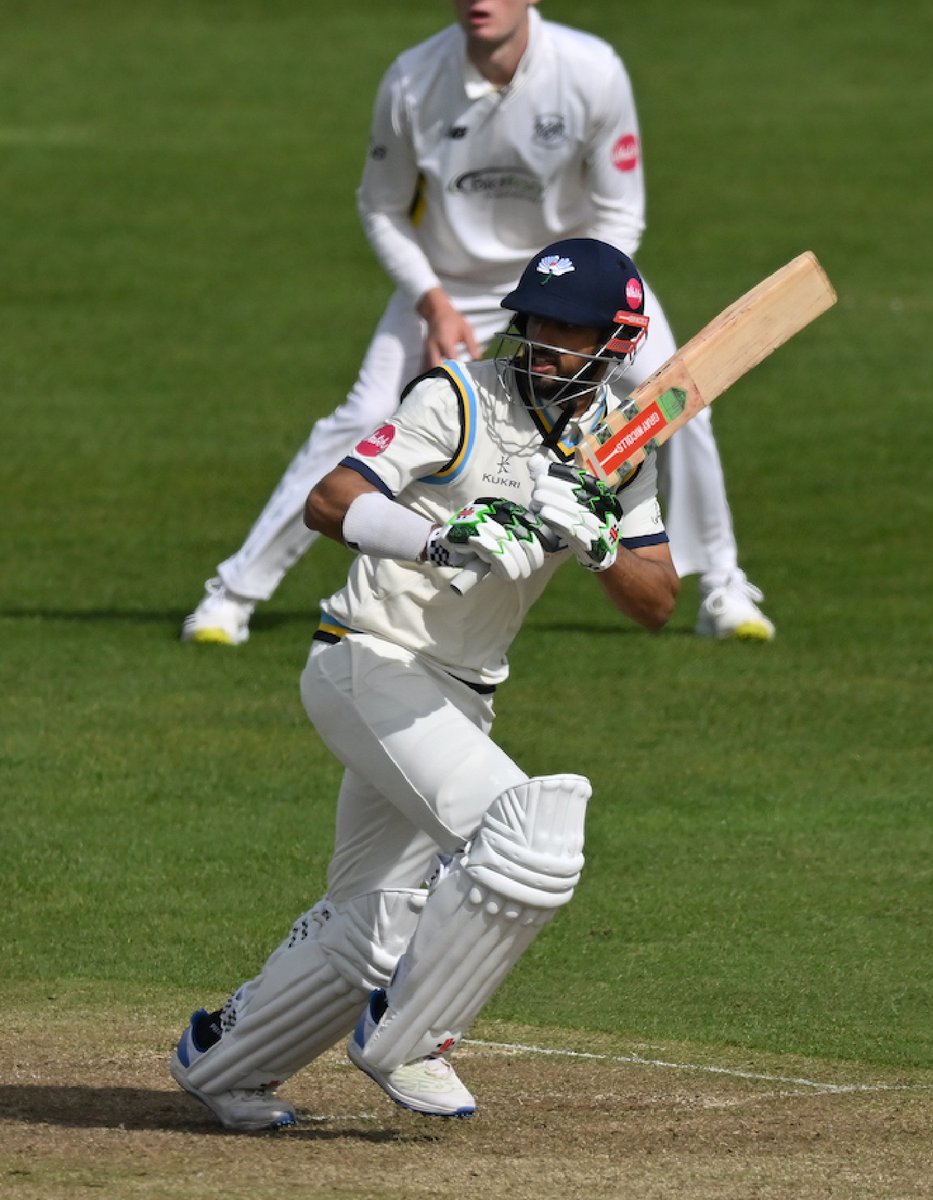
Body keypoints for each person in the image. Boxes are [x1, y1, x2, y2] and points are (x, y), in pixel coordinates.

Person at [170, 237, 678, 1130]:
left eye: (568, 328)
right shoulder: (457, 396)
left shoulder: (619, 446)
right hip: (369, 659)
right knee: (531, 833)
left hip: (461, 696)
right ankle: (413, 1039)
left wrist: (598, 544)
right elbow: (329, 500)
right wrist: (442, 540)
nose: (542, 340)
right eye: (538, 321)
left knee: (376, 916)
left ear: (613, 343)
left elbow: (658, 599)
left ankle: (222, 1059)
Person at [181, 0, 773, 647]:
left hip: (579, 287)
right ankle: (233, 595)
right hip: (450, 281)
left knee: (679, 400)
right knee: (362, 415)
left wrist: (585, 303)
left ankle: (721, 584)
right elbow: (380, 207)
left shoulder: (592, 70)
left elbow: (619, 212)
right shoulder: (413, 78)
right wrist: (431, 301)